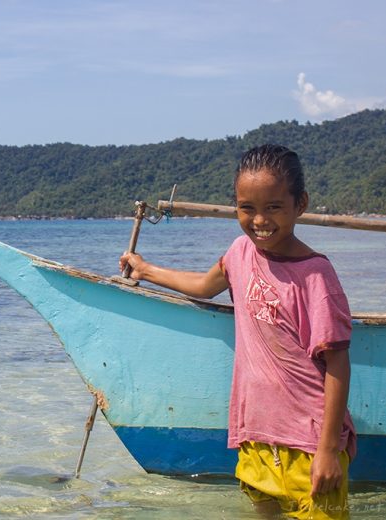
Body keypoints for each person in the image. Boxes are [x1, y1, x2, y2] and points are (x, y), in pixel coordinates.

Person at [119, 144, 356, 519]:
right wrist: (145, 270)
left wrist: (328, 450)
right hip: (256, 435)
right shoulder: (240, 252)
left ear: (301, 204)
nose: (260, 220)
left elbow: (338, 364)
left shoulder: (315, 276)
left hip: (310, 444)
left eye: (274, 207)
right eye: (247, 208)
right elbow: (203, 285)